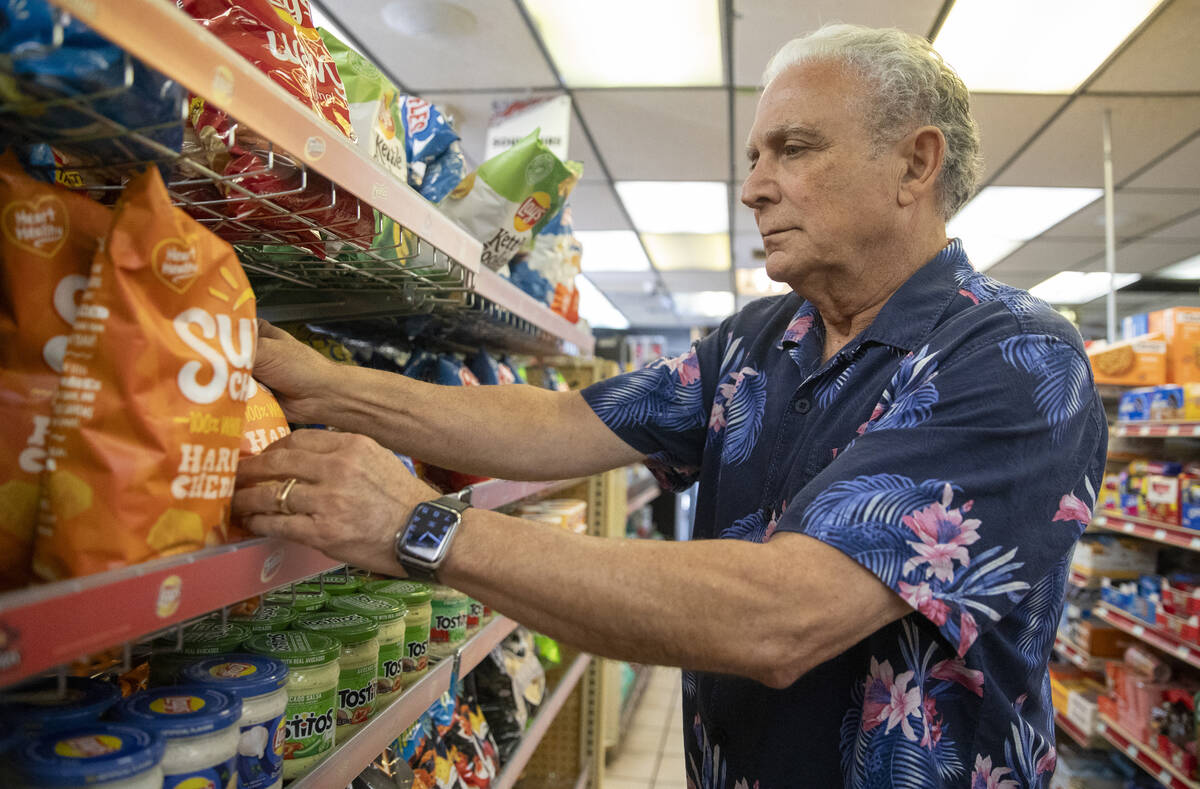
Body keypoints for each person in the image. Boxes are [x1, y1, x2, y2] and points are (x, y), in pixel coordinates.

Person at [233, 23, 1106, 789]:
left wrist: (421, 525)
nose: (754, 188)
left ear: (915, 163)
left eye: (793, 149)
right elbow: (567, 422)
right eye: (754, 157)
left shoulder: (1016, 358)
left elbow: (782, 614)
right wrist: (326, 383)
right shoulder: (765, 337)